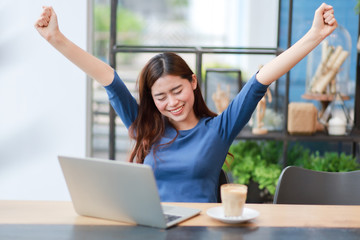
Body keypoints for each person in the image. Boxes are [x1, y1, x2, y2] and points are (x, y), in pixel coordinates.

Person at [35, 3, 337, 203]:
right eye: (161, 97)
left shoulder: (218, 129)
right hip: (153, 231)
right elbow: (107, 77)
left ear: (193, 82)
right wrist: (55, 38)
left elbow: (261, 79)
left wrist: (314, 35)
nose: (172, 102)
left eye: (177, 90)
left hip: (202, 231)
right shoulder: (146, 128)